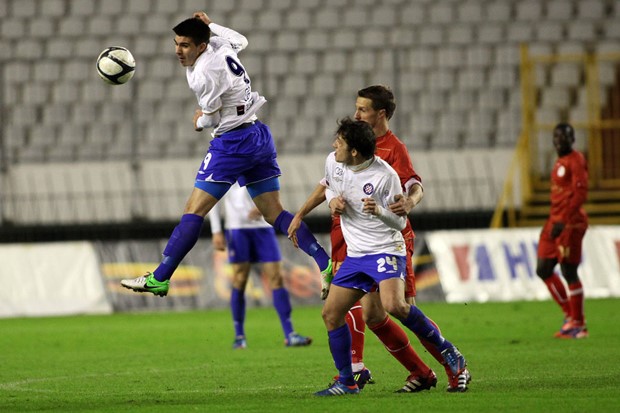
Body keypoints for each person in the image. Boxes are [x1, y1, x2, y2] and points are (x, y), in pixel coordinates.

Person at [120, 12, 332, 296]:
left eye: (185, 45)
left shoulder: (205, 74)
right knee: (274, 213)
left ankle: (160, 276)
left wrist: (197, 121)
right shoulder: (221, 45)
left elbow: (210, 118)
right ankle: (325, 262)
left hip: (232, 144)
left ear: (201, 46)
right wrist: (210, 25)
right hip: (258, 136)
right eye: (176, 43)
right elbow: (240, 40)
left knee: (193, 211)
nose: (178, 51)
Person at [289, 85, 470, 392]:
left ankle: (451, 357)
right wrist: (326, 202)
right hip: (357, 251)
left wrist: (391, 208)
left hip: (388, 246)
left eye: (363, 109)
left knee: (397, 307)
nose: (357, 113)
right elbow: (331, 183)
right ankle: (362, 379)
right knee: (352, 314)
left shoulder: (387, 165)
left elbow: (407, 205)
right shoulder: (336, 159)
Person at [209, 183, 312, 348]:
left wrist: (265, 207)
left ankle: (290, 334)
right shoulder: (226, 162)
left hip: (263, 227)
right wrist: (216, 231)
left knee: (276, 278)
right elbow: (213, 197)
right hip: (237, 228)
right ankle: (239, 336)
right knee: (240, 280)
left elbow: (274, 190)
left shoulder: (260, 160)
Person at [536, 123, 589, 339]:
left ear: (572, 139)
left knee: (569, 271)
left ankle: (578, 324)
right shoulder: (560, 161)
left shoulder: (576, 160)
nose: (559, 140)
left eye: (564, 136)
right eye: (556, 136)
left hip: (570, 223)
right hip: (555, 221)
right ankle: (571, 316)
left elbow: (580, 194)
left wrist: (564, 220)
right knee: (543, 269)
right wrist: (554, 219)